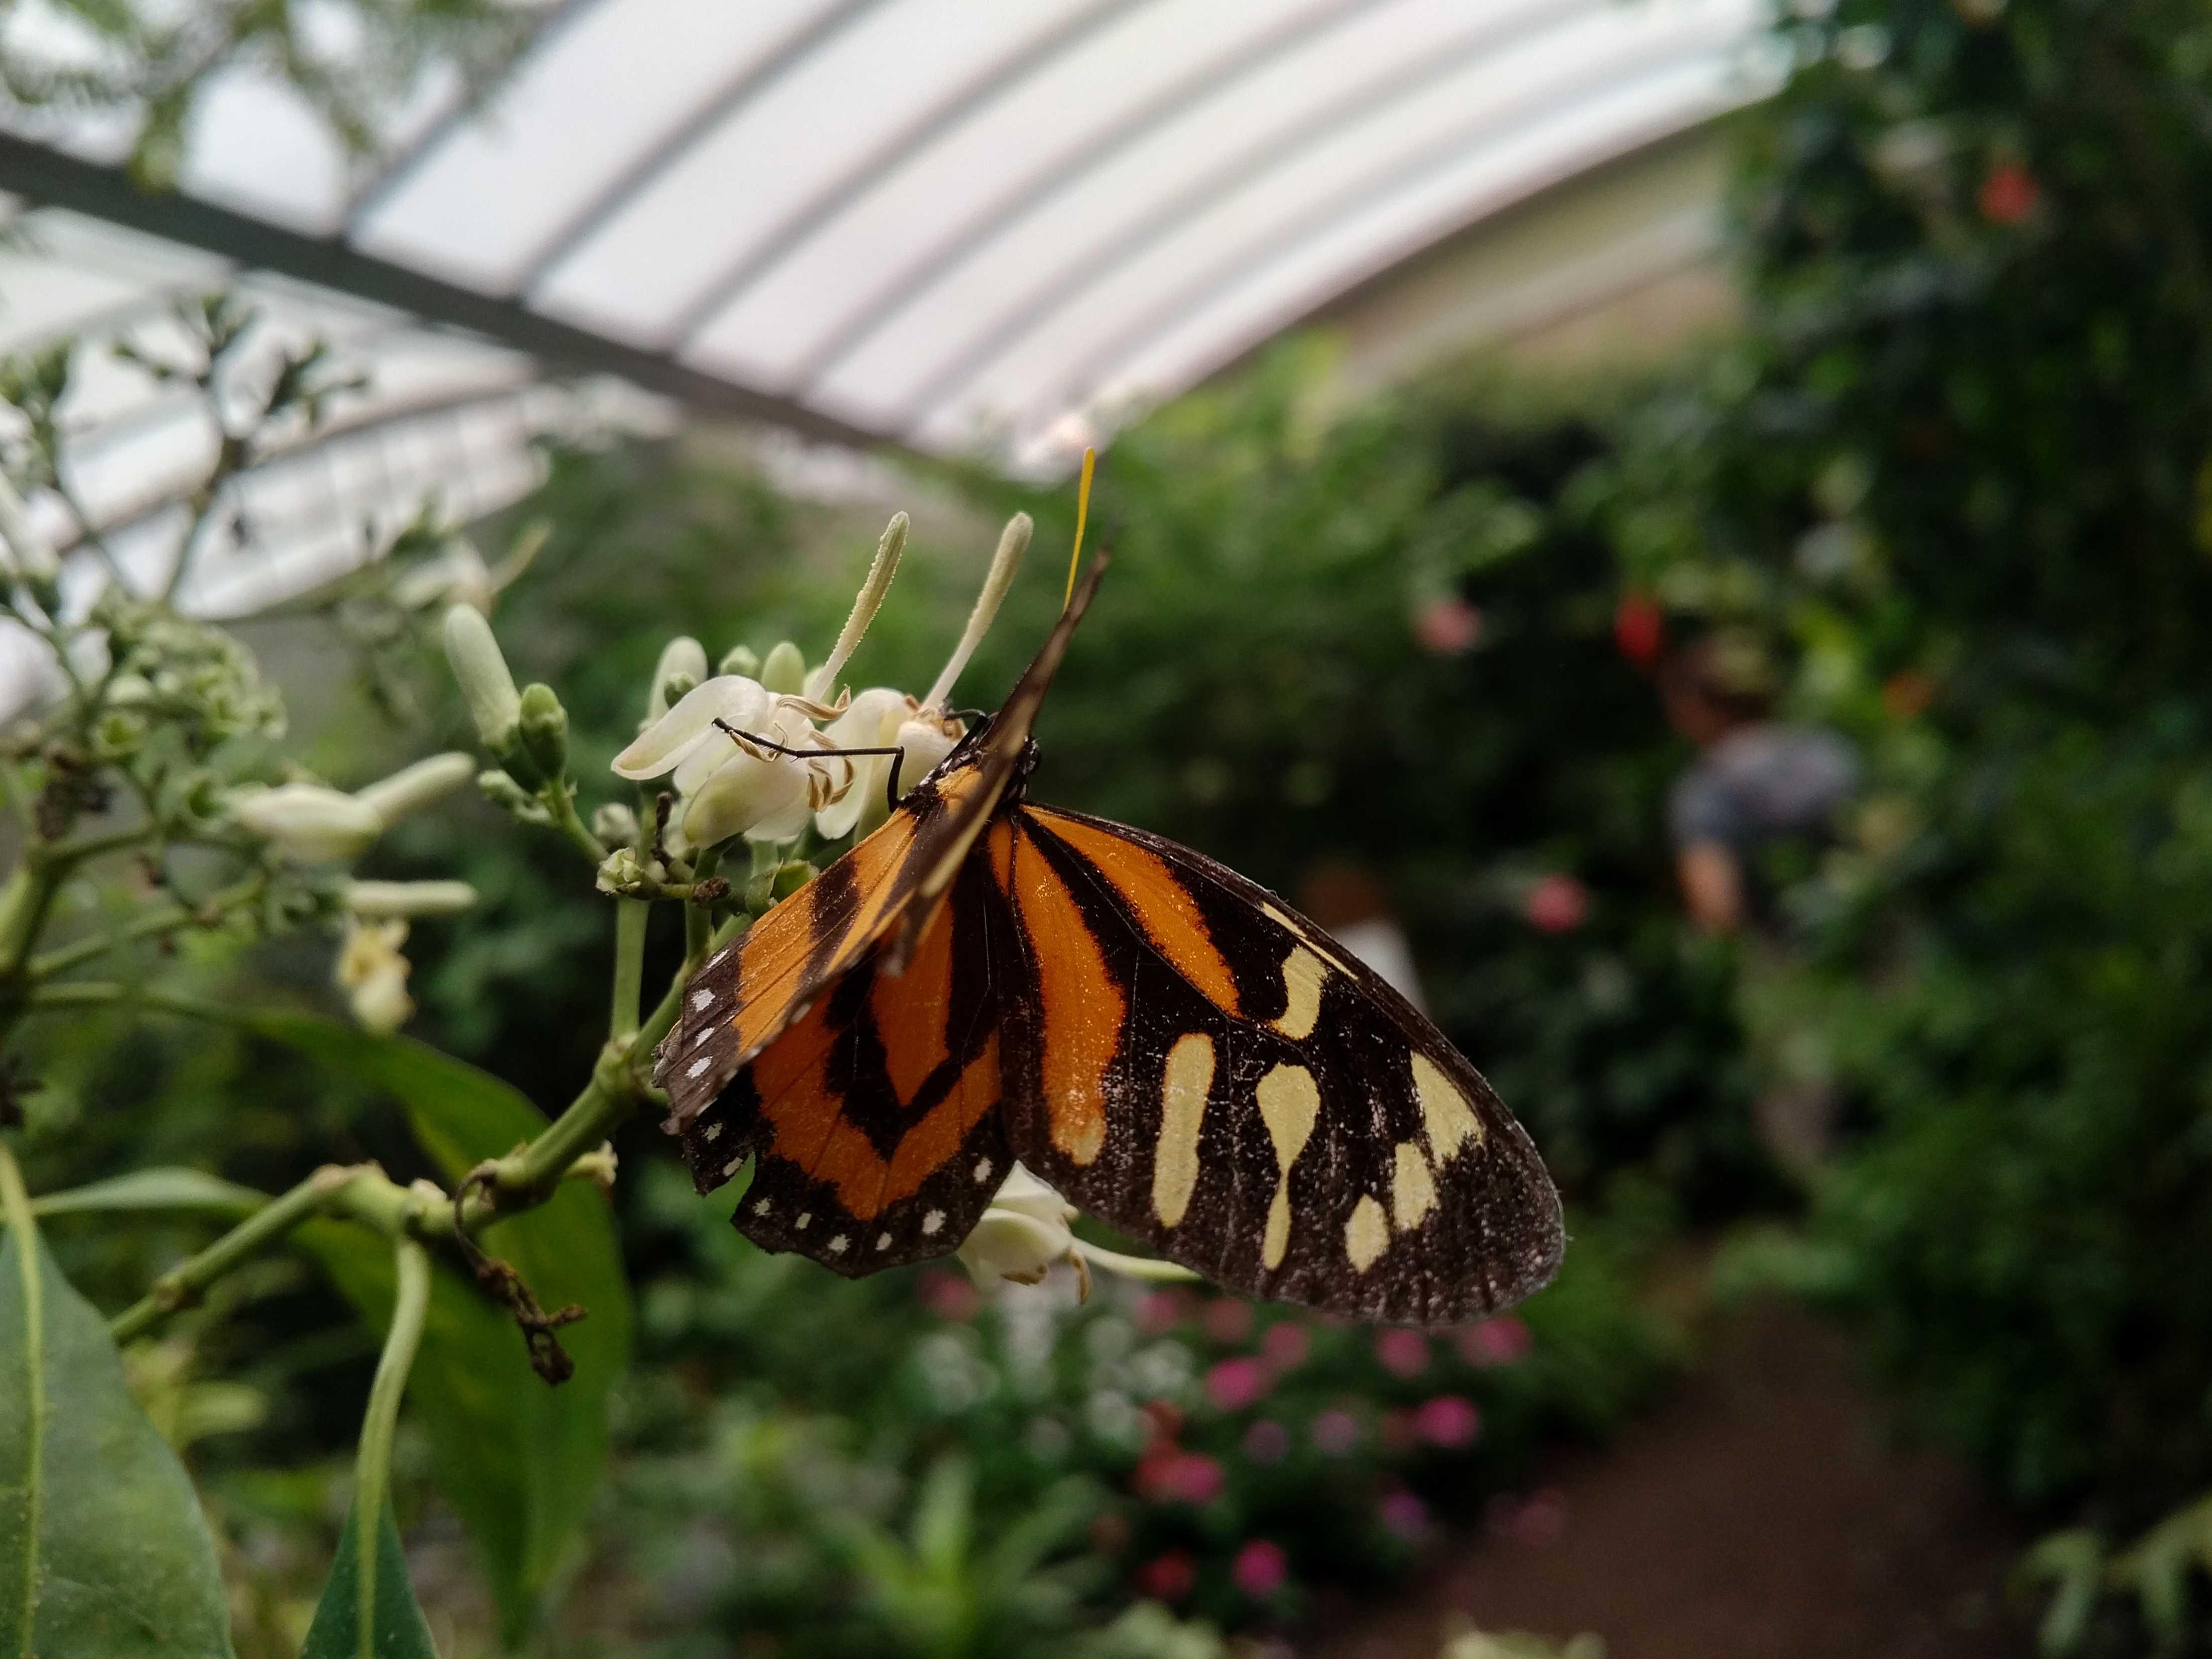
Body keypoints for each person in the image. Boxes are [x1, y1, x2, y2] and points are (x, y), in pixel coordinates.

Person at [1658, 631, 1859, 1175]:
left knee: (1806, 1120)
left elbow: (1715, 908)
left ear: (1698, 707)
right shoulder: (1826, 751)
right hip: (1867, 945)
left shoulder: (1706, 791)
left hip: (1782, 967)